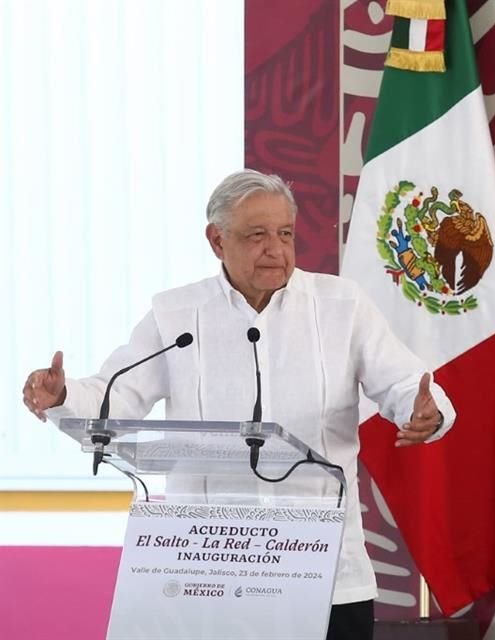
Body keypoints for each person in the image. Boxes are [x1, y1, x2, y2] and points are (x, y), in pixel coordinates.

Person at [20, 168, 455, 640]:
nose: (276, 248)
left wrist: (423, 409)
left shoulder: (341, 305)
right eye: (257, 235)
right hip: (208, 572)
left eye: (285, 233)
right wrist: (62, 397)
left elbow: (405, 382)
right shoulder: (176, 315)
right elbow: (116, 396)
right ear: (216, 239)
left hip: (323, 570)